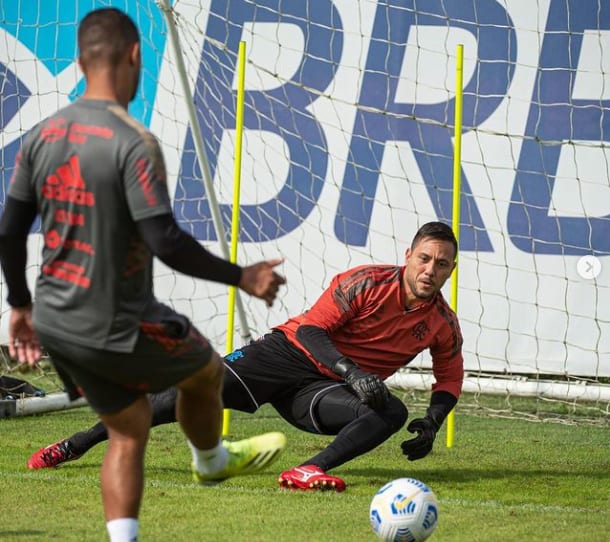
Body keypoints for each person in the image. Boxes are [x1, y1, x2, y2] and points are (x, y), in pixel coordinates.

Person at [0, 7, 286, 542]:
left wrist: (19, 305)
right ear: (134, 55)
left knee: (128, 429)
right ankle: (209, 459)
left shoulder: (41, 135)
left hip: (58, 323)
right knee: (205, 372)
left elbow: (10, 229)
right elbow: (165, 241)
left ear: (81, 61)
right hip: (116, 319)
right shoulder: (133, 141)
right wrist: (241, 276)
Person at [28, 221, 464, 493]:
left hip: (321, 389)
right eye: (424, 258)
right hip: (285, 354)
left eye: (442, 264)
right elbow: (312, 330)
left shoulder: (443, 323)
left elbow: (448, 377)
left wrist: (431, 424)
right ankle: (75, 444)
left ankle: (307, 470)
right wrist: (352, 372)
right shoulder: (364, 282)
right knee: (178, 397)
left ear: (451, 270)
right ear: (408, 256)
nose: (430, 270)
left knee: (391, 410)